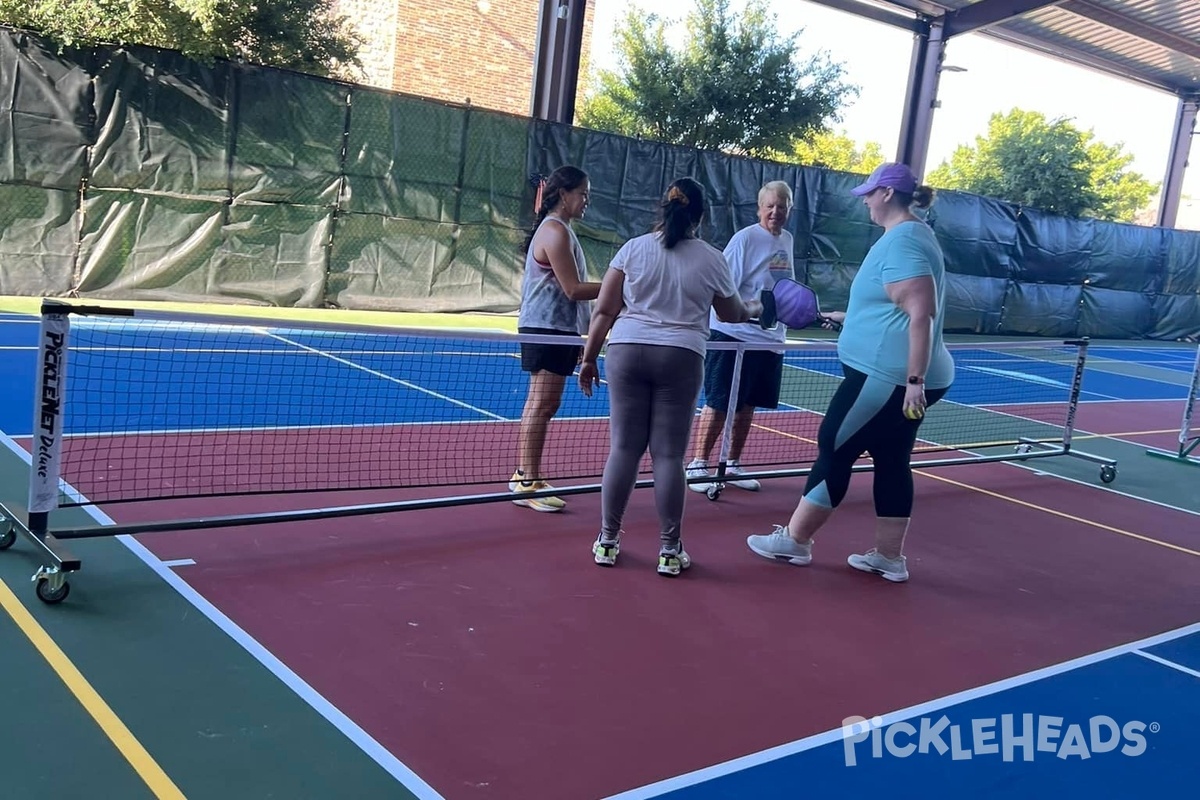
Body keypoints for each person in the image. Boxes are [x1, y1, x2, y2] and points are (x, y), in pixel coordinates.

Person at [745, 162, 955, 583]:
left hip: (888, 376)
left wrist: (913, 382)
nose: (865, 201)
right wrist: (851, 316)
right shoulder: (911, 235)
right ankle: (889, 557)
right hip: (903, 375)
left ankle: (795, 540)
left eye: (870, 194)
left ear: (887, 195)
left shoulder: (904, 243)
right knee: (892, 458)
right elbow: (893, 306)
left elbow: (921, 315)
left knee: (834, 444)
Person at [579, 177, 762, 576]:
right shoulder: (712, 259)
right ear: (700, 216)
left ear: (662, 208)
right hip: (680, 356)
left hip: (626, 352)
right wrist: (754, 307)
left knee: (624, 449)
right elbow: (731, 315)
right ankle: (669, 549)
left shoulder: (632, 249)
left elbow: (605, 311)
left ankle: (607, 541)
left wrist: (589, 358)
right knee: (668, 455)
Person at [687, 180, 796, 493]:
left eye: (782, 205)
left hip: (769, 339)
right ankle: (698, 464)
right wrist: (748, 311)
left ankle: (732, 463)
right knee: (720, 402)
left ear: (790, 208)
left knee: (748, 404)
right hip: (733, 335)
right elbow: (725, 286)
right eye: (770, 205)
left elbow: (782, 284)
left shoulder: (786, 239)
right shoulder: (745, 239)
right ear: (759, 208)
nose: (775, 211)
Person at [510, 165, 602, 512]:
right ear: (564, 194)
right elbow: (573, 288)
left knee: (546, 404)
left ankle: (526, 475)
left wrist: (581, 338)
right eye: (583, 194)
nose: (586, 201)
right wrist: (619, 287)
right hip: (545, 329)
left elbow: (572, 292)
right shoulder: (554, 231)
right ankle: (527, 480)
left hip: (559, 331)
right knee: (542, 404)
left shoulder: (562, 230)